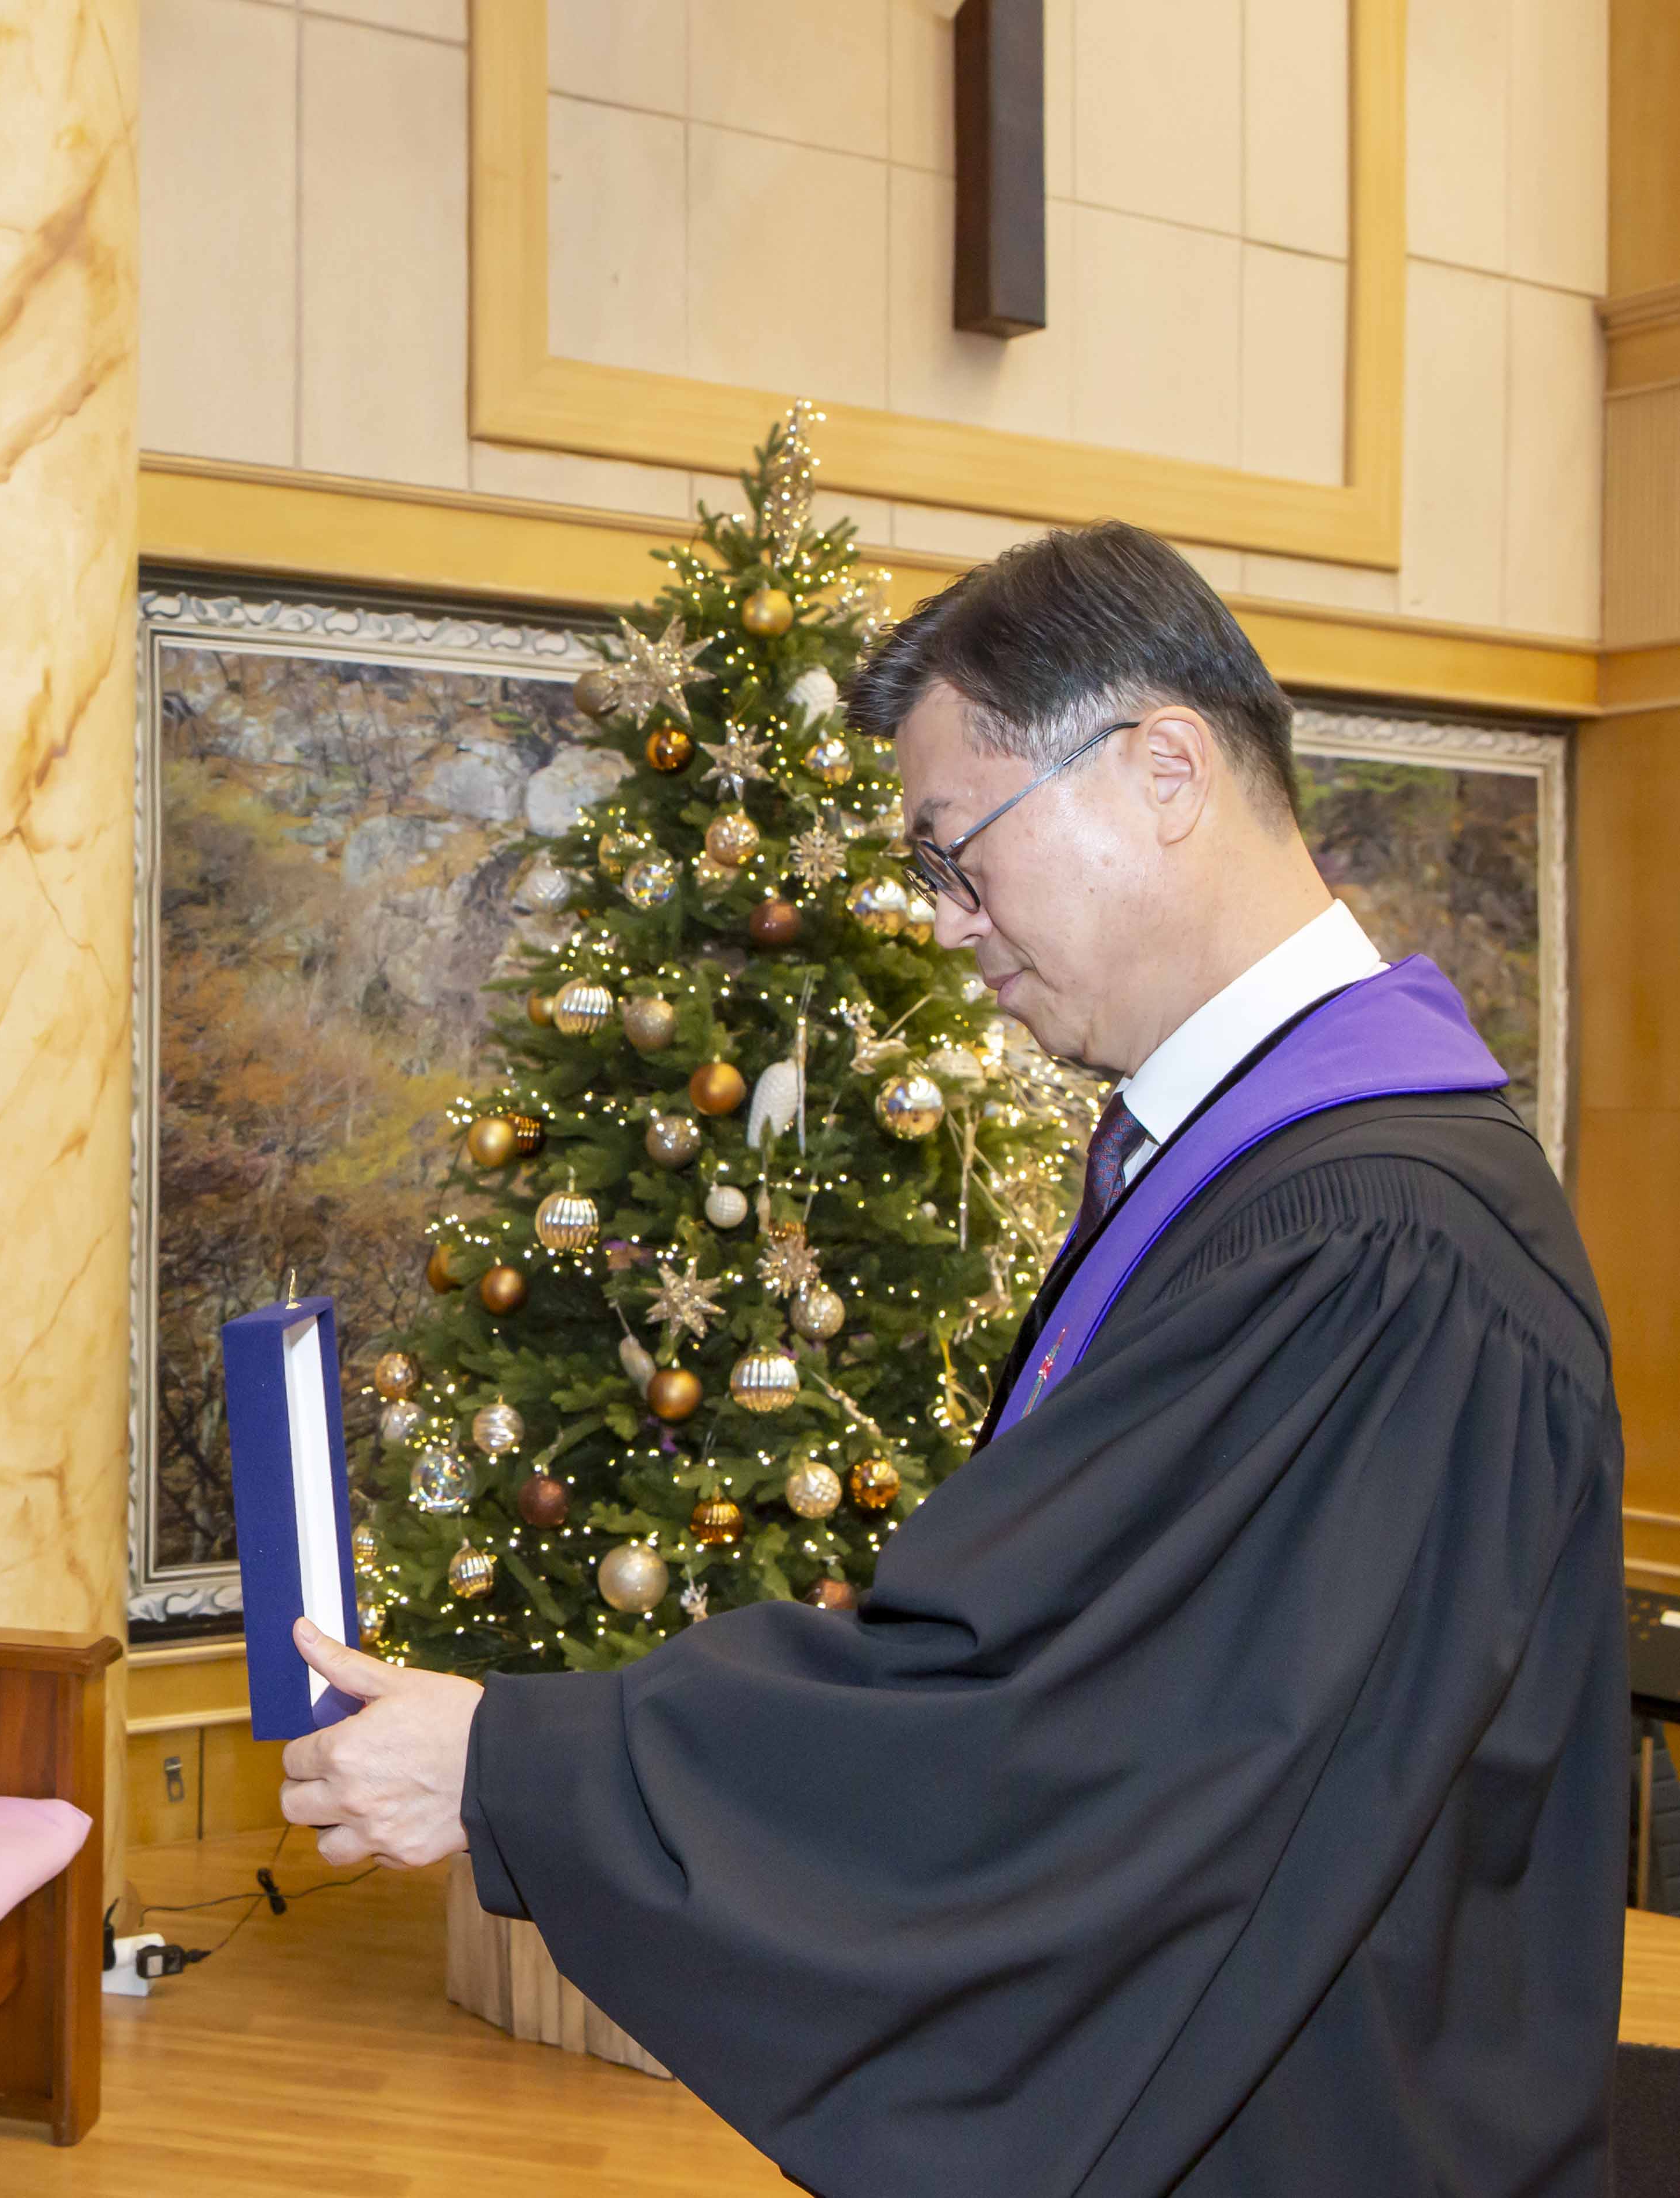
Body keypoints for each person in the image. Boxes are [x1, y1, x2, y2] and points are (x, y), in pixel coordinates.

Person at [281, 523, 1624, 2195]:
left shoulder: (1376, 1243)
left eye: (957, 851)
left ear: (1162, 771)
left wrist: (511, 1767)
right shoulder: (1259, 1177)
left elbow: (1069, 1746)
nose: (943, 921)